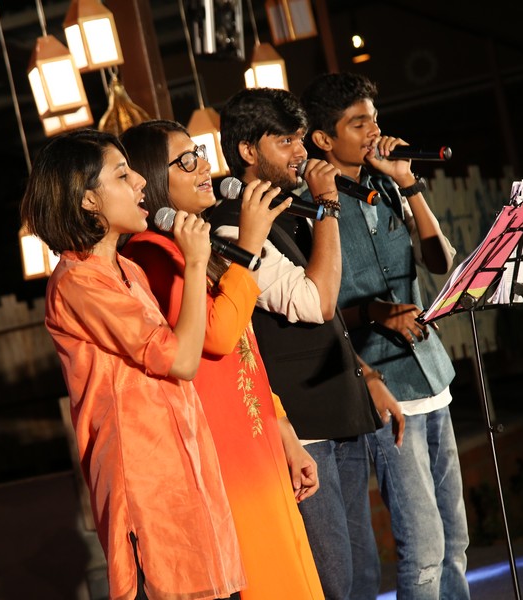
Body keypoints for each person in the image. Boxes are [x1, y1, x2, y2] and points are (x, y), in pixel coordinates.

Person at [19, 128, 244, 600]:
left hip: (185, 467)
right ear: (88, 200)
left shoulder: (130, 270)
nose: (141, 182)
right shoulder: (77, 282)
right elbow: (181, 359)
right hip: (144, 483)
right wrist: (196, 263)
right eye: (122, 175)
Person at [119, 119, 324, 599]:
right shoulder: (152, 254)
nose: (204, 167)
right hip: (224, 454)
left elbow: (246, 352)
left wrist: (285, 433)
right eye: (186, 160)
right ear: (152, 179)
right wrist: (249, 244)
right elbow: (217, 337)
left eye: (201, 154)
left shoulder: (195, 246)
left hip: (256, 438)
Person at [210, 87, 397, 600]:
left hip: (340, 408)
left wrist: (367, 375)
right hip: (302, 427)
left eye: (300, 139)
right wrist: (329, 206)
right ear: (248, 150)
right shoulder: (230, 226)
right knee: (334, 580)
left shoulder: (290, 210)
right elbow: (316, 302)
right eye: (286, 141)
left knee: (363, 574)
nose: (301, 152)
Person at [300, 72, 471, 599]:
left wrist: (409, 183)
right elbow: (315, 307)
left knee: (456, 540)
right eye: (358, 123)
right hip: (382, 384)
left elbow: (440, 262)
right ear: (324, 139)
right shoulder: (311, 208)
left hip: (431, 372)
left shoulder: (389, 186)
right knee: (424, 548)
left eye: (374, 118)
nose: (374, 130)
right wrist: (374, 312)